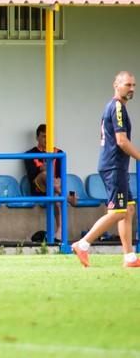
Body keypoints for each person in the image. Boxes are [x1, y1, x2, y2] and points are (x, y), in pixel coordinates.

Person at [72, 71, 140, 268]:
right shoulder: (117, 107)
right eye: (128, 85)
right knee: (118, 211)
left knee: (128, 209)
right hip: (114, 166)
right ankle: (83, 244)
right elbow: (121, 141)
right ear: (116, 85)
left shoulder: (115, 107)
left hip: (116, 166)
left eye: (134, 85)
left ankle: (130, 258)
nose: (132, 89)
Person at [24, 124, 77, 241]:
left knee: (56, 195)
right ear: (37, 138)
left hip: (54, 188)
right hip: (39, 188)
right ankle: (68, 197)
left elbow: (60, 175)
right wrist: (43, 168)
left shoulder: (58, 152)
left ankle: (59, 232)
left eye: (49, 137)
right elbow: (32, 175)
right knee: (45, 175)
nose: (46, 139)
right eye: (43, 136)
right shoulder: (30, 154)